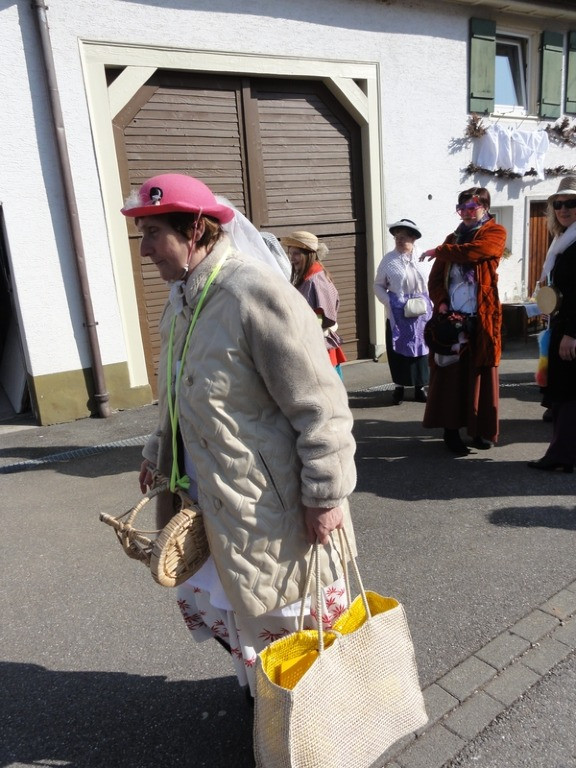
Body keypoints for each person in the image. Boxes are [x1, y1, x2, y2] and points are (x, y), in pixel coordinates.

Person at [120, 174, 357, 698]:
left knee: (290, 624)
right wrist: (158, 455)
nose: (146, 249)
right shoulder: (182, 298)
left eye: (155, 232)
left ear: (197, 228)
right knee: (243, 621)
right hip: (213, 498)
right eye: (144, 234)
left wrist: (324, 495)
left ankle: (318, 728)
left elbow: (322, 408)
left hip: (269, 509)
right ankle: (268, 714)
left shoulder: (254, 292)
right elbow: (177, 392)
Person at [422, 187, 506, 454]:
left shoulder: (495, 233)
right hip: (453, 318)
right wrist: (443, 304)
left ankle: (482, 430)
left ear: (485, 208)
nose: (467, 214)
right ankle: (451, 432)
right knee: (451, 376)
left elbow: (476, 251)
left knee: (482, 373)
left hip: (482, 318)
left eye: (472, 208)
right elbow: (435, 280)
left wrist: (440, 250)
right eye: (462, 209)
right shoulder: (451, 240)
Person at [527, 175, 576, 473]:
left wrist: (571, 333)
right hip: (561, 325)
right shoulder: (564, 240)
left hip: (570, 329)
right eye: (558, 203)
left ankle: (561, 456)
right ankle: (563, 454)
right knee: (563, 393)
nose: (564, 208)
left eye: (572, 203)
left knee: (567, 395)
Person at [373, 218, 432, 404]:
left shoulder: (422, 257)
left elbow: (432, 282)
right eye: (397, 237)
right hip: (398, 312)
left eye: (404, 237)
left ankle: (420, 387)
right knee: (398, 349)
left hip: (421, 313)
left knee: (421, 349)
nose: (399, 240)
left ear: (413, 238)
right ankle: (399, 387)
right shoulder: (388, 260)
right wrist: (390, 301)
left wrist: (433, 302)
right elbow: (378, 285)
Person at [282, 230, 347, 377]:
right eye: (290, 253)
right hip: (312, 347)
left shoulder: (316, 280)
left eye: (296, 253)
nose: (292, 258)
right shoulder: (308, 277)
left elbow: (323, 318)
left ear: (308, 254)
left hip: (319, 350)